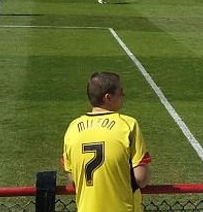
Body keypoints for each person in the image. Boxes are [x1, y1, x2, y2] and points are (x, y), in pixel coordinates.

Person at [63, 72, 151, 212]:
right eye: (120, 92)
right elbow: (141, 179)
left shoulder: (72, 128)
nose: (124, 95)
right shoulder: (128, 125)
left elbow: (72, 178)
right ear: (108, 97)